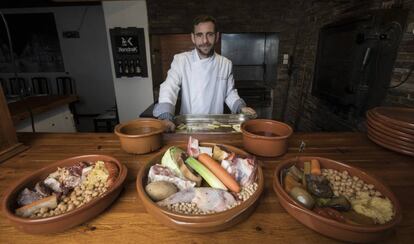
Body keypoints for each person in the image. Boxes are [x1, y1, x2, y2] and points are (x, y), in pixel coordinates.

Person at [153, 15, 256, 132]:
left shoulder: (225, 63)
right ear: (193, 38)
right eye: (199, 35)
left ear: (217, 36)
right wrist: (166, 115)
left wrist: (240, 107)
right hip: (188, 127)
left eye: (210, 34)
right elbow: (169, 86)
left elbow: (229, 93)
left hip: (216, 127)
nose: (205, 41)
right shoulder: (181, 60)